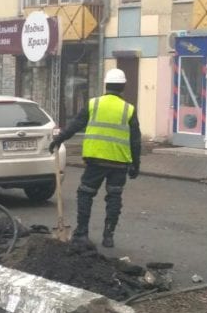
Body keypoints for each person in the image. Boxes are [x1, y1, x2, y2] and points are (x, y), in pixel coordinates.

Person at [49, 68, 141, 248]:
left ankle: (82, 232)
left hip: (96, 160)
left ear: (106, 85)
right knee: (114, 197)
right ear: (123, 86)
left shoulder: (94, 104)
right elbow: (135, 140)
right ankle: (108, 236)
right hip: (119, 162)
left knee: (85, 194)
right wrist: (135, 165)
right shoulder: (128, 109)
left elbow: (76, 124)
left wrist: (59, 139)